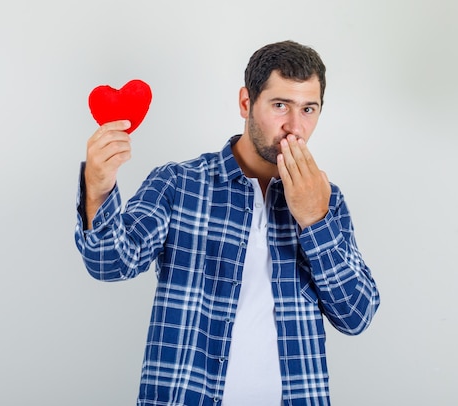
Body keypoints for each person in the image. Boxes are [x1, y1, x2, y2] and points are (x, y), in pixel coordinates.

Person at [75, 40, 380, 406]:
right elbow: (110, 264)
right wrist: (97, 188)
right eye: (280, 105)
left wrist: (314, 221)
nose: (295, 127)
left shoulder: (326, 198)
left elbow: (356, 316)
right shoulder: (179, 183)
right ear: (246, 103)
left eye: (309, 109)